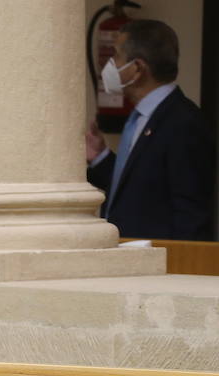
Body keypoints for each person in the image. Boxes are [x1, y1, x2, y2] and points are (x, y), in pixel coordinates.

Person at [85, 19, 215, 242]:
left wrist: (181, 271)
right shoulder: (140, 118)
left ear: (137, 69)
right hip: (129, 256)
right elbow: (139, 189)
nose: (111, 64)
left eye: (116, 56)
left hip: (161, 265)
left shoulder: (183, 123)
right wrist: (101, 157)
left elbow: (191, 214)